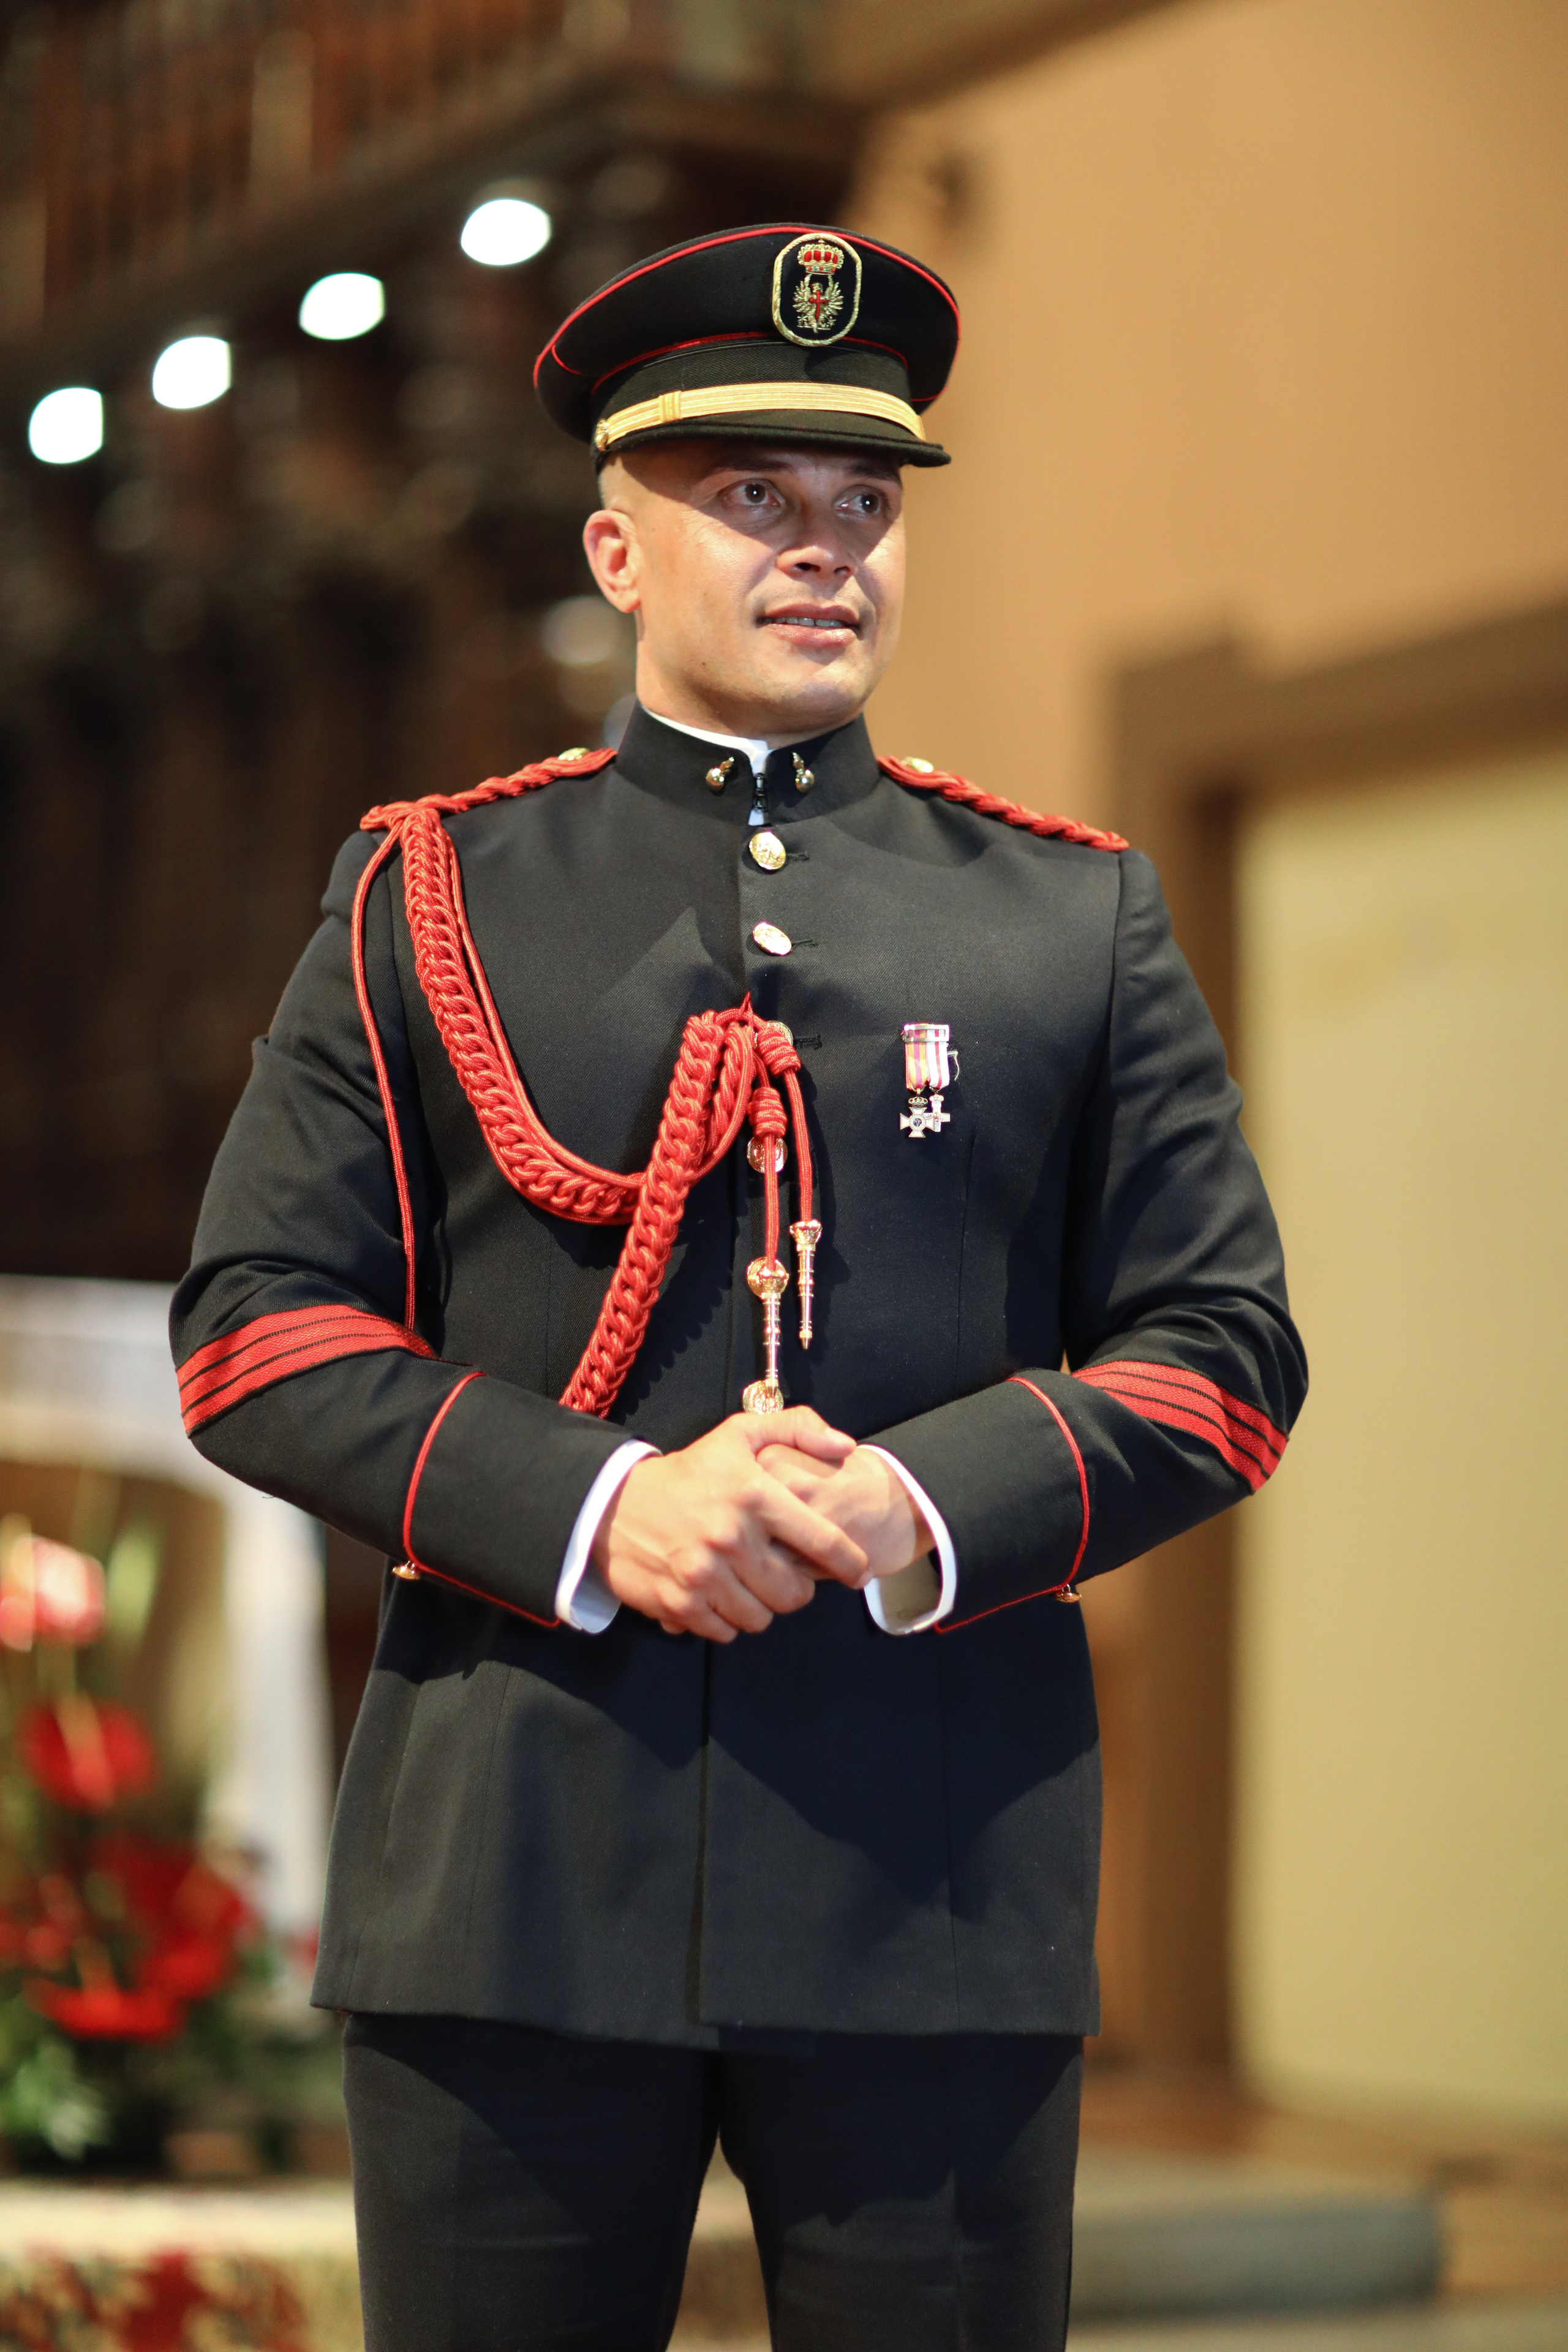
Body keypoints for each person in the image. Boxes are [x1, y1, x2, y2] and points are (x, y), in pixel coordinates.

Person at [172, 221, 1306, 2352]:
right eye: (754, 502)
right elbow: (256, 1323)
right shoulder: (434, 888)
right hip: (508, 1882)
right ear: (615, 552)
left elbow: (1225, 1353)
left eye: (865, 505)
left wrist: (916, 1506)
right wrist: (610, 1509)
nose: (828, 552)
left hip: (937, 1885)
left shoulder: (1068, 918)